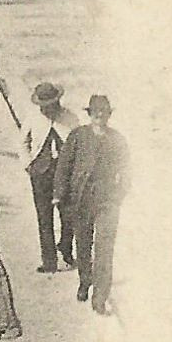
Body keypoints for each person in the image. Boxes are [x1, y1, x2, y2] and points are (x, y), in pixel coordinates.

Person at [54, 95, 129, 312]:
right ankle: (85, 280)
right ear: (89, 114)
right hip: (81, 199)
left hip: (107, 202)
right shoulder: (78, 136)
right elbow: (64, 166)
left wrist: (119, 196)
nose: (100, 115)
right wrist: (60, 194)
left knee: (105, 249)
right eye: (95, 111)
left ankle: (100, 298)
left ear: (109, 114)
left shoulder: (118, 140)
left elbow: (127, 172)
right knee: (83, 246)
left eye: (104, 111)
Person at [22, 82, 80, 272]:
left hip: (65, 173)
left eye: (51, 104)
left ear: (58, 101)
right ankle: (49, 262)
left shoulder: (70, 118)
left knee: (68, 214)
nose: (47, 109)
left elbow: (79, 144)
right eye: (43, 106)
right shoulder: (32, 118)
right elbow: (23, 143)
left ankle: (66, 247)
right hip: (41, 172)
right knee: (44, 217)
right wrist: (29, 165)